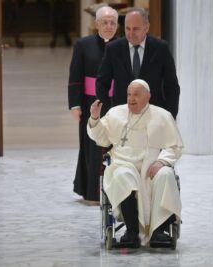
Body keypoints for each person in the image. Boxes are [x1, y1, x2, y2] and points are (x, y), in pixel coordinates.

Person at [87, 79, 183, 247]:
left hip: (152, 165)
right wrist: (95, 118)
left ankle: (158, 231)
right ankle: (131, 231)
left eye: (136, 95)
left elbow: (175, 146)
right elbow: (100, 138)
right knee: (123, 176)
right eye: (129, 94)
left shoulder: (162, 115)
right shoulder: (116, 113)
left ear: (148, 96)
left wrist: (162, 161)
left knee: (166, 175)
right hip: (123, 162)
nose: (131, 99)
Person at [68, 6, 119, 204]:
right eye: (104, 22)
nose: (108, 26)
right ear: (96, 24)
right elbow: (75, 77)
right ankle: (91, 192)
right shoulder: (83, 45)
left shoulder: (123, 45)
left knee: (114, 146)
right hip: (91, 103)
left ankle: (114, 191)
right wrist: (75, 105)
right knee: (90, 147)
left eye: (112, 22)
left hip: (116, 104)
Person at [96, 7, 180, 119]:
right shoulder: (113, 49)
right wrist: (108, 114)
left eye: (135, 29)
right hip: (121, 117)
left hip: (153, 117)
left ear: (146, 27)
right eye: (127, 28)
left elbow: (172, 86)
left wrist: (169, 116)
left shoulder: (160, 48)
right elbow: (102, 83)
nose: (131, 34)